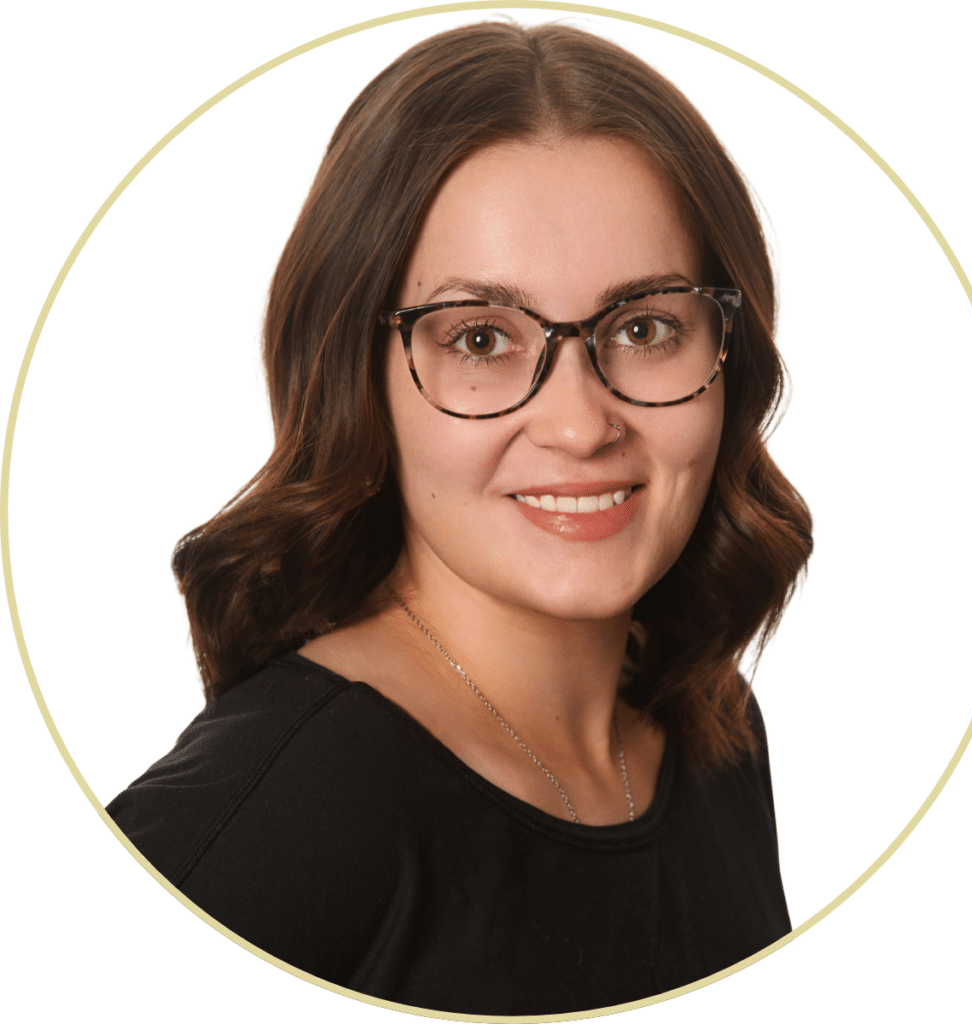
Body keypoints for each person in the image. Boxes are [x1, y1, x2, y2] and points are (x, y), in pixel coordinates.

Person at [107, 20, 813, 1015]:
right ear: (358, 378)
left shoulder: (714, 728)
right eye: (480, 337)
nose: (578, 423)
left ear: (728, 357)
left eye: (645, 326)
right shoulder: (274, 815)